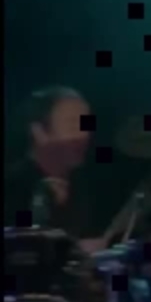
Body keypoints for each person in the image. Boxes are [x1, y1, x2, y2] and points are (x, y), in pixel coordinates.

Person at [3, 86, 111, 254]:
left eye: (86, 124)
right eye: (72, 125)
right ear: (39, 132)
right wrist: (74, 250)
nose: (83, 134)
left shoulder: (83, 184)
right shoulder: (13, 188)